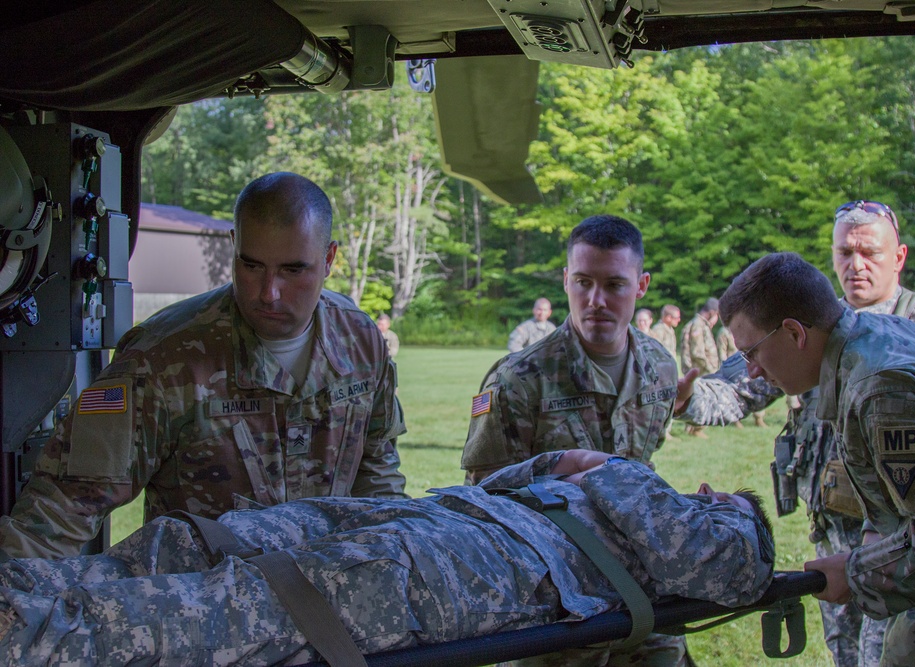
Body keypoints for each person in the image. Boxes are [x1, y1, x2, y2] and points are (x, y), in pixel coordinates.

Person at [0, 450, 776, 665]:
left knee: (252, 605)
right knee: (207, 539)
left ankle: (22, 631)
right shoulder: (632, 493)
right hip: (446, 514)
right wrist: (568, 462)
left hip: (466, 567)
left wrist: (610, 468)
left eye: (726, 499)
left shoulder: (685, 519)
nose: (711, 494)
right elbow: (504, 479)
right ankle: (26, 585)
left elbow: (730, 570)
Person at [0, 172, 407, 560]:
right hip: (206, 611)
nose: (269, 292)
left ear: (329, 257)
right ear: (233, 245)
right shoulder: (162, 358)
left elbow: (378, 467)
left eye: (292, 269)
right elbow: (60, 509)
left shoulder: (360, 341)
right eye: (251, 265)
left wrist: (389, 551)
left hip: (330, 599)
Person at [681, 199, 915, 667]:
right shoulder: (869, 338)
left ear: (794, 332)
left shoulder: (880, 387)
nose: (753, 371)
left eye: (753, 353)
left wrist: (855, 572)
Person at [462, 214, 690, 666]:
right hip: (553, 596)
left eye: (614, 285)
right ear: (566, 279)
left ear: (641, 285)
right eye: (583, 282)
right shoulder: (518, 378)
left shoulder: (659, 366)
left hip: (639, 579)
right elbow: (482, 493)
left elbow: (645, 458)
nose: (595, 300)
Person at [680, 298, 720, 438]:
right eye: (717, 315)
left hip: (698, 370)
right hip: (700, 371)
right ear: (712, 312)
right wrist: (711, 369)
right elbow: (697, 353)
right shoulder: (698, 325)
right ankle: (697, 429)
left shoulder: (697, 324)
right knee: (699, 399)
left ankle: (691, 428)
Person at [716, 325, 766, 428]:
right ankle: (736, 419)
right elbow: (722, 351)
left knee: (755, 390)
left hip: (746, 365)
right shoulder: (724, 332)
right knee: (736, 394)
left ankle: (759, 418)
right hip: (733, 368)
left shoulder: (745, 328)